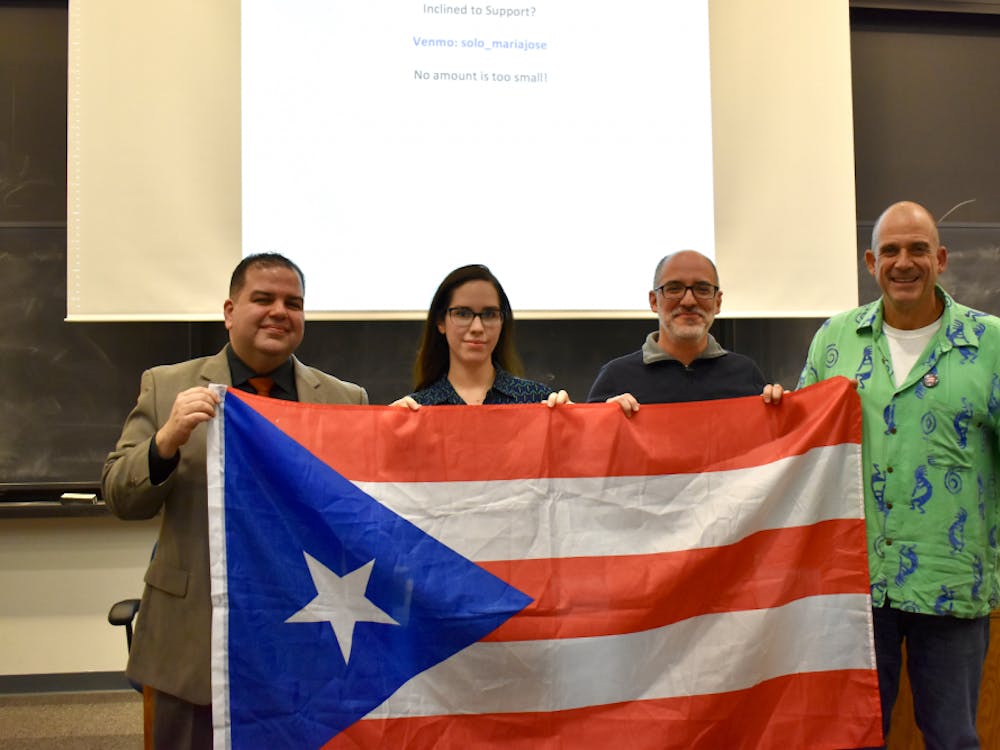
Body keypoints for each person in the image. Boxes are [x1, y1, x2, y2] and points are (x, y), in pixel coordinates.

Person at [102, 253, 368, 749]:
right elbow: (119, 494)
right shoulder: (167, 386)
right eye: (262, 299)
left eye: (293, 303)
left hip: (307, 636)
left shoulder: (343, 400)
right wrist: (165, 441)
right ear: (229, 311)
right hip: (194, 642)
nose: (279, 312)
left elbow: (366, 513)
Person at [781, 200, 1000, 749]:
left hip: (951, 580)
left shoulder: (991, 344)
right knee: (857, 736)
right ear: (869, 262)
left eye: (918, 249)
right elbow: (803, 446)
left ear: (942, 259)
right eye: (891, 251)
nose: (904, 262)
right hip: (854, 584)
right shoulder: (834, 340)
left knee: (953, 737)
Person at [587, 250, 766, 411]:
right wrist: (603, 420)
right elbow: (591, 446)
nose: (689, 301)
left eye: (702, 290)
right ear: (654, 301)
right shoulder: (616, 377)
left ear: (718, 302)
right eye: (674, 289)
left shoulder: (745, 374)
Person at [392, 264, 569, 407]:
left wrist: (571, 424)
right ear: (440, 322)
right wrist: (390, 431)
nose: (477, 327)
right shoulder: (417, 409)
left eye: (490, 314)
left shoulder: (537, 400)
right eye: (462, 313)